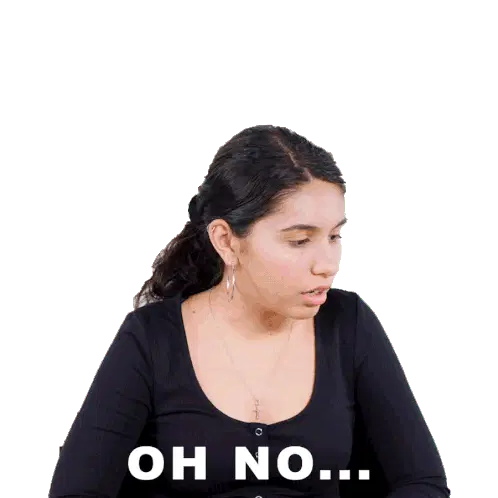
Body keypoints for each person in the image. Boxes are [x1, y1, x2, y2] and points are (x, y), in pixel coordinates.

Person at [49, 125, 450, 497]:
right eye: (299, 241)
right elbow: (76, 492)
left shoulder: (349, 324)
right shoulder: (151, 338)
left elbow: (422, 483)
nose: (328, 264)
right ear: (226, 241)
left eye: (334, 236)